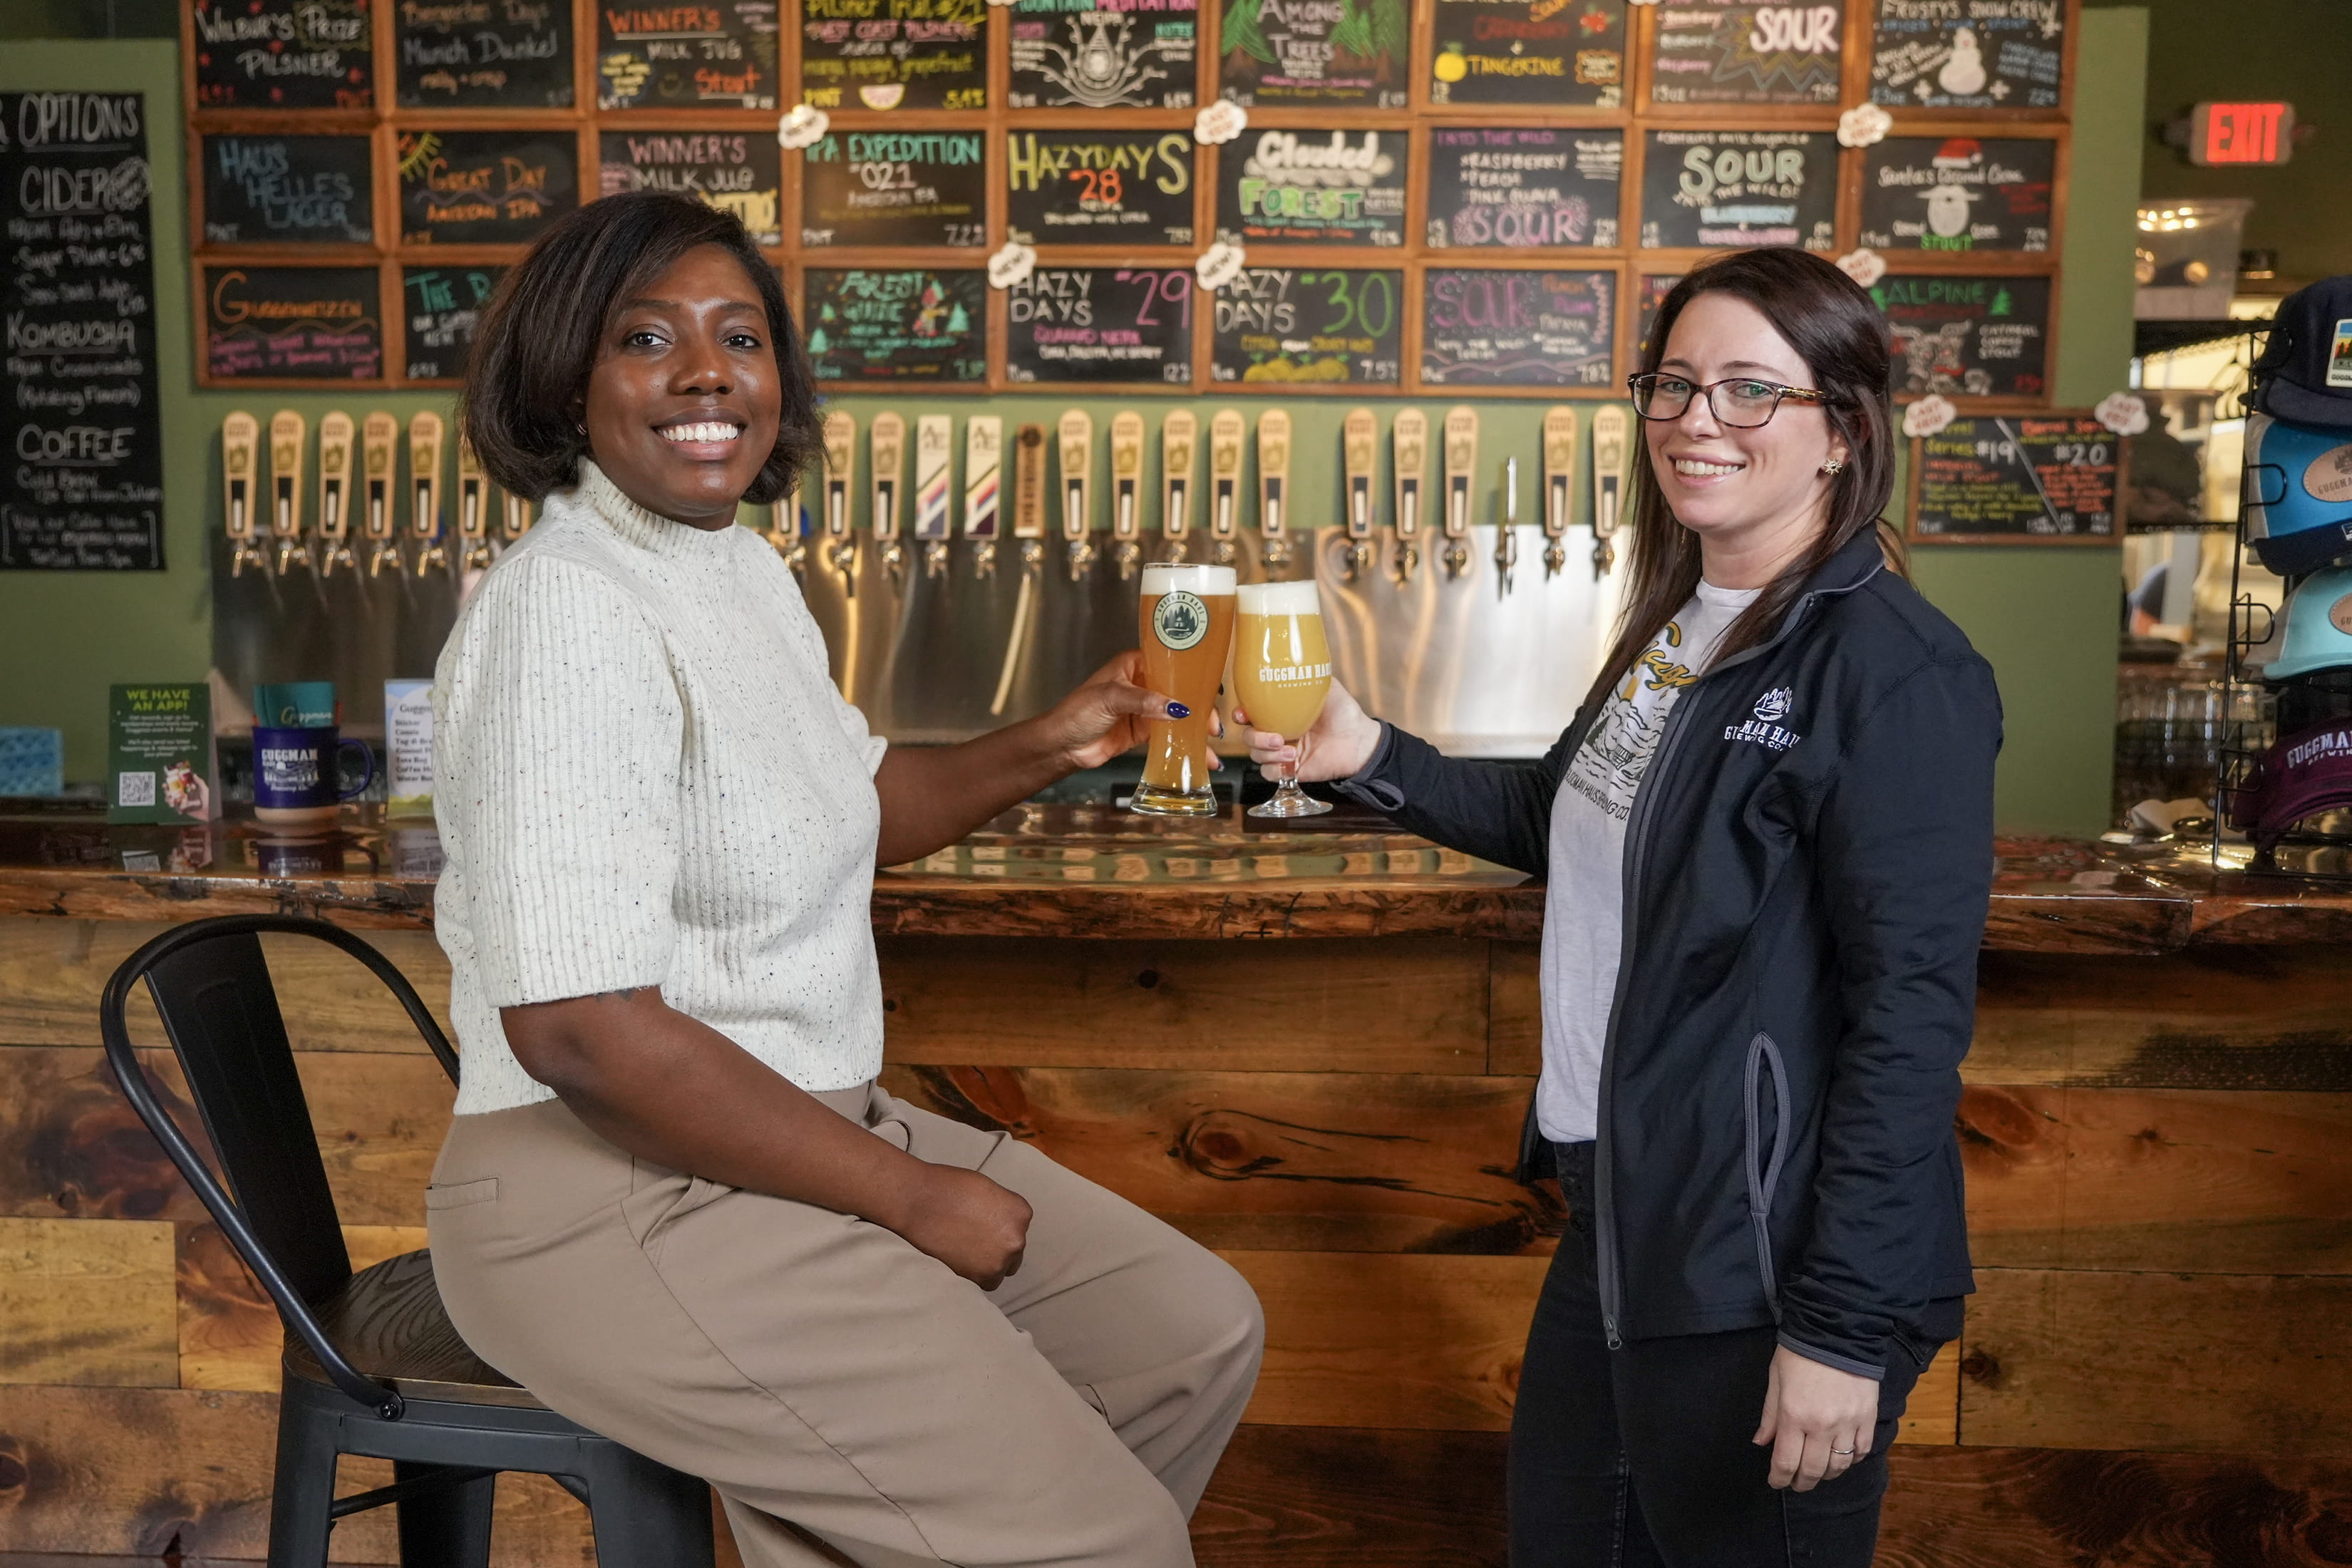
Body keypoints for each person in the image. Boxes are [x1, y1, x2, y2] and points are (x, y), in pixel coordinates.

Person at [423, 192, 1262, 1568]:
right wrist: (907, 1192)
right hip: (615, 1195)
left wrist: (1060, 737)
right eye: (648, 338)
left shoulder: (735, 569)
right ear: (569, 387)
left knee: (1187, 1332)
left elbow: (848, 804)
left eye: (739, 339)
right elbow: (574, 1028)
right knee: (1104, 1543)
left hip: (784, 1136)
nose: (707, 374)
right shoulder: (568, 612)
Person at [1242, 247, 1999, 1567]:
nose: (1699, 421)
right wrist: (1371, 759)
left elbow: (1911, 1022)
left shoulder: (1894, 671)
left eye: (1752, 392)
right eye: (1676, 384)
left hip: (1766, 1255)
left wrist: (1838, 1327)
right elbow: (1579, 823)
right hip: (1628, 1215)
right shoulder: (1685, 624)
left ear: (1841, 431)